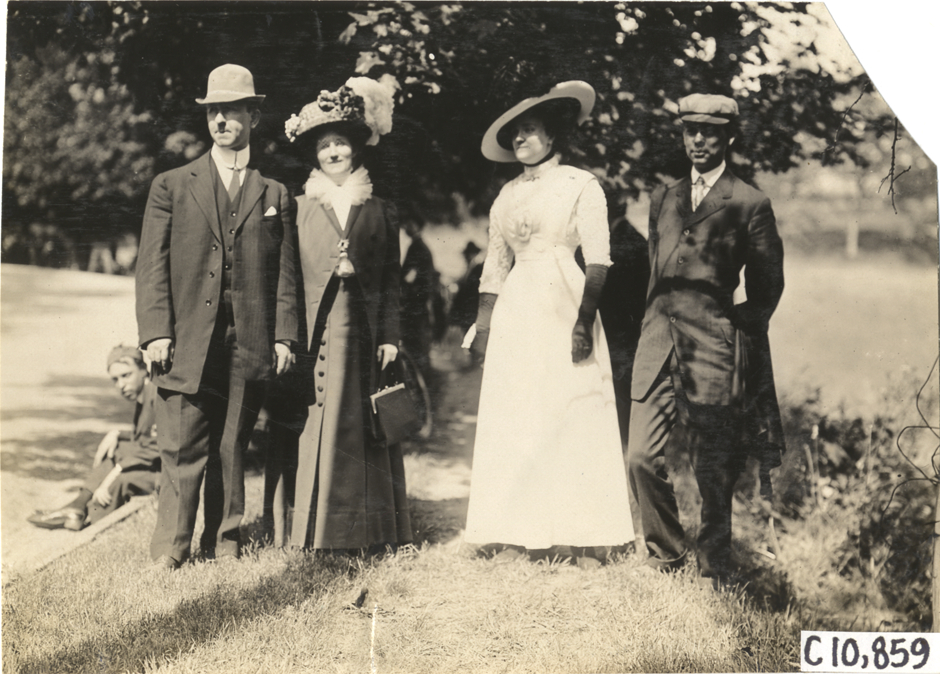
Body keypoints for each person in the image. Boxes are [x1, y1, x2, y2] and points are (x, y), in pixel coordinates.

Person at [462, 81, 634, 563]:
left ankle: (579, 533)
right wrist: (484, 329)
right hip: (519, 307)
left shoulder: (581, 184)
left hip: (565, 303)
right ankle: (517, 530)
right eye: (515, 133)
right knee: (519, 412)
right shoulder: (506, 195)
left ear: (553, 136)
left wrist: (583, 323)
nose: (521, 139)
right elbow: (495, 266)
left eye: (530, 130)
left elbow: (599, 260)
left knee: (569, 409)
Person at [136, 64, 299, 570]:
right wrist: (156, 331)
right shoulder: (171, 185)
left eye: (233, 110)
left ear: (254, 115)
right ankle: (171, 548)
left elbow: (287, 277)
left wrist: (285, 337)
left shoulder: (274, 194)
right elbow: (151, 266)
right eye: (214, 112)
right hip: (185, 338)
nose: (222, 120)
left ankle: (225, 541)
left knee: (232, 444)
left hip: (247, 338)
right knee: (182, 445)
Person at [627, 94, 785, 584]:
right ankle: (666, 551)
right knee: (639, 458)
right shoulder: (664, 197)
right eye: (690, 130)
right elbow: (656, 271)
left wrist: (727, 325)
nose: (698, 139)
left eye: (710, 132)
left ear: (729, 138)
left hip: (712, 350)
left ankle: (715, 565)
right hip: (656, 343)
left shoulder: (750, 203)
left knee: (713, 468)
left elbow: (767, 288)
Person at [283, 76, 412, 551]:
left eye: (341, 143)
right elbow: (289, 279)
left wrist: (391, 336)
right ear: (315, 155)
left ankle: (372, 531)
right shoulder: (298, 208)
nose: (334, 152)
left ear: (356, 150)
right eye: (325, 146)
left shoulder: (380, 209)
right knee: (325, 419)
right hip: (319, 332)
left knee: (365, 426)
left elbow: (393, 281)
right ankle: (323, 531)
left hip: (364, 330)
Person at [28, 346, 160, 531]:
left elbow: (157, 446)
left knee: (121, 480)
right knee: (119, 447)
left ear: (143, 370)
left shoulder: (156, 395)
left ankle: (93, 521)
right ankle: (77, 506)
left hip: (164, 474)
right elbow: (145, 438)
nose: (121, 385)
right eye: (115, 379)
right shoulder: (143, 396)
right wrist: (117, 434)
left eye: (126, 375)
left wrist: (111, 477)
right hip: (154, 463)